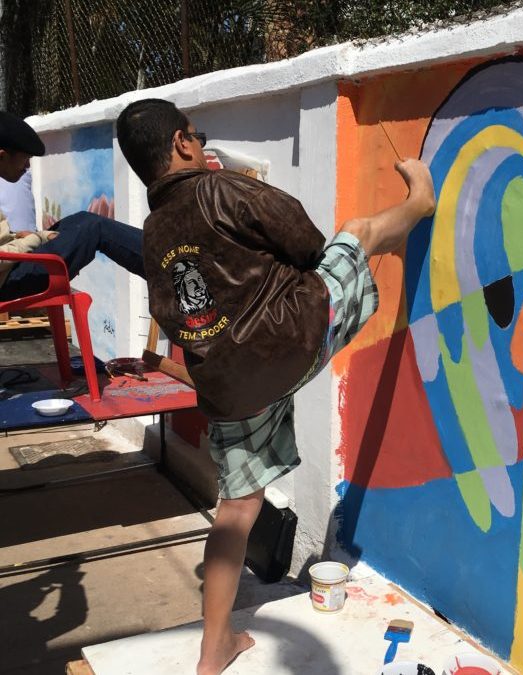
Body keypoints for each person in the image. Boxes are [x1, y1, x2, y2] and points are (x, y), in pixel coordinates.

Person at [116, 98, 435, 675]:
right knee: (357, 233)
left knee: (235, 509)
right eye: (197, 138)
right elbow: (310, 243)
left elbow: (180, 313)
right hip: (293, 344)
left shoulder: (152, 233)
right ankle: (420, 202)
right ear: (186, 144)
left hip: (230, 386)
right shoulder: (227, 192)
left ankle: (215, 647)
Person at [0, 110, 145, 301]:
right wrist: (36, 238)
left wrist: (20, 237)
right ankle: (166, 261)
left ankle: (162, 255)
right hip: (10, 279)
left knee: (79, 220)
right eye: (25, 158)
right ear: (2, 156)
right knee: (93, 227)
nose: (27, 166)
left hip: (13, 269)